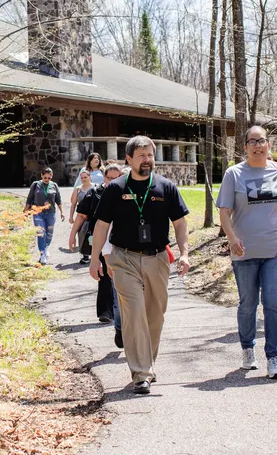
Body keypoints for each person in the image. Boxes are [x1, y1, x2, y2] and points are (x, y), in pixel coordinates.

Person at [89, 136, 191, 394]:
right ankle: (141, 372)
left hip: (157, 258)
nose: (147, 160)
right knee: (134, 313)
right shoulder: (115, 189)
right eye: (141, 155)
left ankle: (148, 362)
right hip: (123, 259)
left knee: (155, 316)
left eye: (150, 155)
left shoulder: (166, 187)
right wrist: (95, 258)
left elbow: (180, 223)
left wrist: (185, 253)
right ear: (129, 159)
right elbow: (101, 225)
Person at [216, 125, 277, 379]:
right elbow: (224, 211)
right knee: (248, 303)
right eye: (252, 141)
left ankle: (274, 357)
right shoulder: (234, 174)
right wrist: (232, 239)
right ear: (245, 146)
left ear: (269, 145)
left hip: (276, 249)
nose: (258, 145)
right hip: (243, 250)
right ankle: (248, 349)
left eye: (262, 141)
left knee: (273, 302)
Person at [69, 164, 123, 345]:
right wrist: (72, 235)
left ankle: (119, 315)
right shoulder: (95, 193)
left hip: (122, 243)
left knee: (119, 280)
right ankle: (106, 313)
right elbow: (82, 215)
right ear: (104, 178)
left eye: (117, 178)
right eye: (110, 178)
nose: (113, 182)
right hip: (100, 242)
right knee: (105, 276)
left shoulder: (127, 193)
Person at [24, 167, 64, 266]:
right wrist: (25, 210)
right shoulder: (35, 185)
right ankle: (42, 254)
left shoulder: (54, 185)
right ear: (41, 176)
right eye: (45, 177)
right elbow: (29, 198)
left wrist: (62, 212)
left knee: (49, 233)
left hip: (50, 213)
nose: (47, 179)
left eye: (49, 178)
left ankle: (46, 248)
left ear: (51, 177)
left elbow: (58, 200)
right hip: (38, 212)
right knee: (41, 232)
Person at [70, 170, 96, 262]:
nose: (84, 179)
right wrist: (71, 217)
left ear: (90, 177)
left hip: (93, 215)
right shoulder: (77, 189)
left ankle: (94, 254)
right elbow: (73, 204)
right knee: (81, 234)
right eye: (82, 178)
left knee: (93, 235)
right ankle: (85, 255)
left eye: (85, 177)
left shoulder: (95, 188)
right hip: (81, 215)